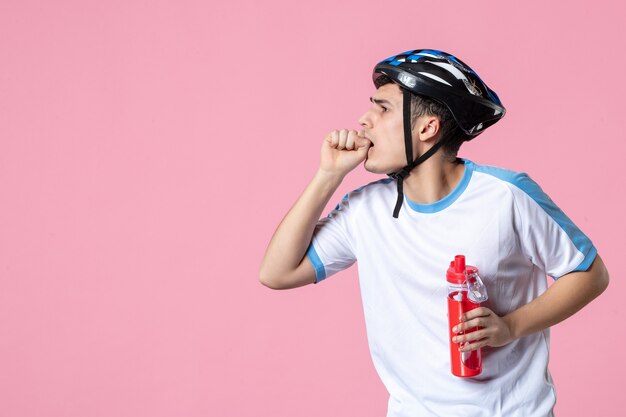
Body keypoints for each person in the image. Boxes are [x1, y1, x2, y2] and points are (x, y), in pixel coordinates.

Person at [259, 49, 609, 417]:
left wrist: (510, 326)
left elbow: (590, 273)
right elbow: (276, 273)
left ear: (427, 128)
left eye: (384, 109)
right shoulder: (365, 210)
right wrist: (328, 175)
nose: (365, 120)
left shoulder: (507, 196)